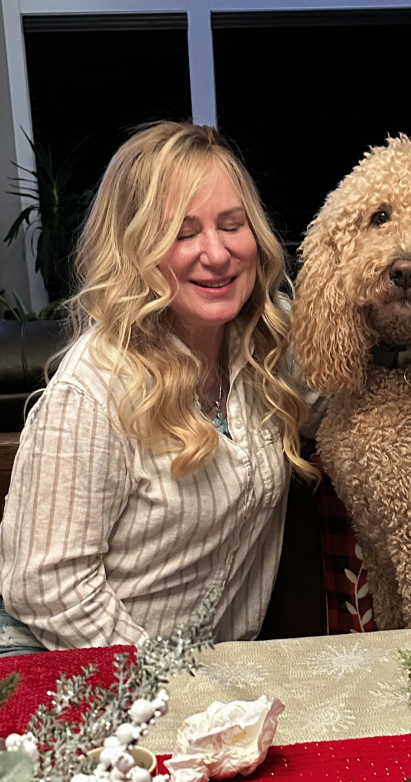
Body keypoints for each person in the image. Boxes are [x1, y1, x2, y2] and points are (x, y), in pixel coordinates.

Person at [0, 121, 317, 655]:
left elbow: (354, 395)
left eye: (232, 224)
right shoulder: (93, 390)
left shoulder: (268, 341)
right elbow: (46, 586)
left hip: (206, 671)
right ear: (133, 249)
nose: (217, 253)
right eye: (182, 233)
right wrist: (170, 683)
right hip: (68, 660)